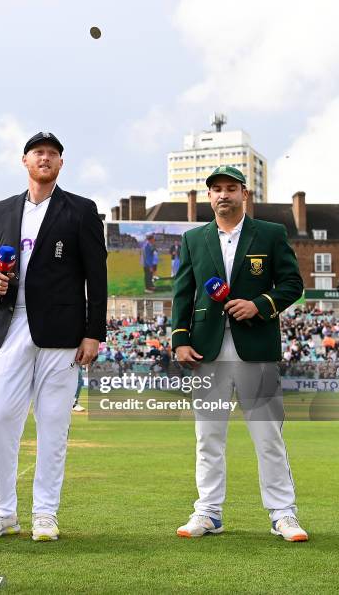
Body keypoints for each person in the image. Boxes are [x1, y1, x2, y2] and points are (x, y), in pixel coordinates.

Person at [0, 132, 107, 541]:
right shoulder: (1, 210)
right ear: (24, 161)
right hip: (11, 326)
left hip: (63, 333)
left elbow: (97, 277)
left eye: (52, 154)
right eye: (38, 153)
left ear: (61, 164)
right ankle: (3, 512)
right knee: (0, 419)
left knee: (53, 424)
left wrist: (93, 333)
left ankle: (45, 514)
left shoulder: (82, 210)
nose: (45, 158)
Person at [172, 165, 308, 542]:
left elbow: (293, 284)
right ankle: (208, 512)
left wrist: (260, 305)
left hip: (257, 347)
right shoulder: (194, 239)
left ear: (244, 194)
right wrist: (180, 339)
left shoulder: (271, 233)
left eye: (231, 188)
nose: (223, 195)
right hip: (206, 350)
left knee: (268, 436)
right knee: (208, 437)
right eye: (216, 189)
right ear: (209, 197)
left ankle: (283, 514)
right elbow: (184, 293)